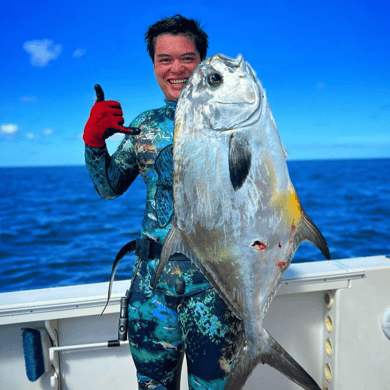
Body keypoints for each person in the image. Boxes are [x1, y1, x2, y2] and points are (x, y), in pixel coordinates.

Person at [83, 14, 242, 390]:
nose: (177, 69)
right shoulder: (146, 125)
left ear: (203, 62)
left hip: (215, 288)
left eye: (187, 58)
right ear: (154, 65)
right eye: (164, 59)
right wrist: (93, 142)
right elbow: (108, 187)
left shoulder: (235, 121)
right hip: (150, 290)